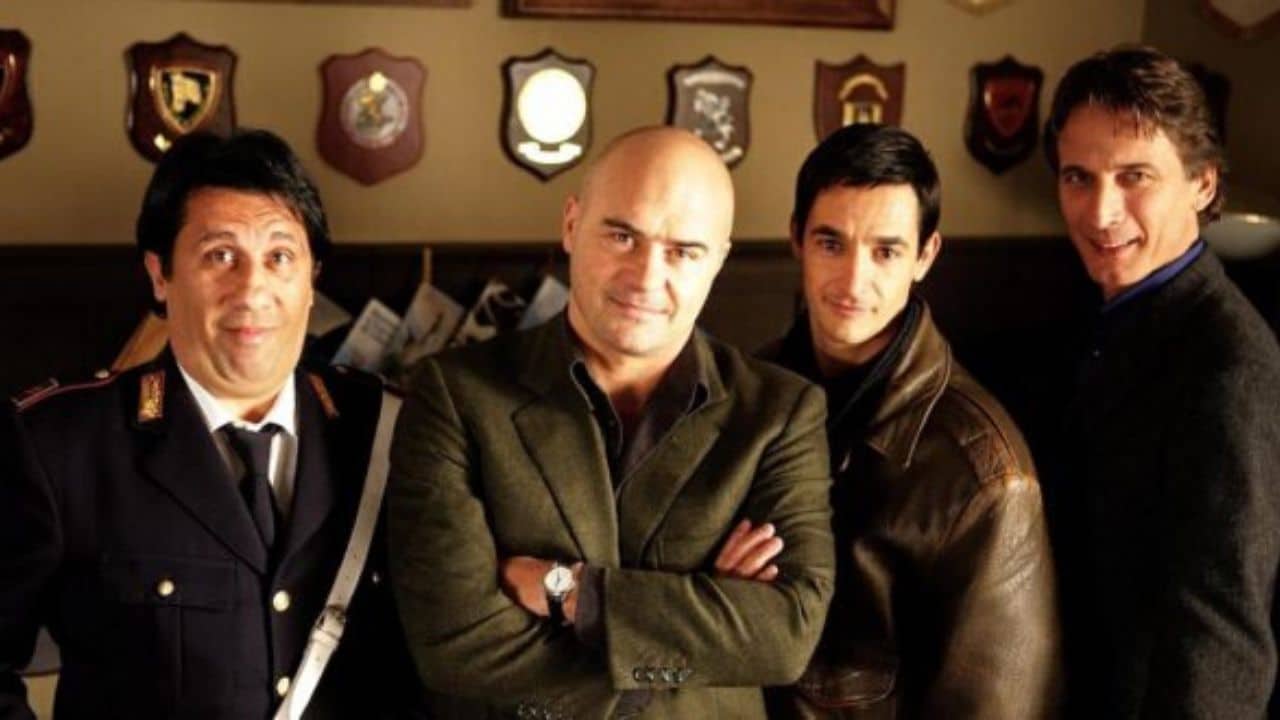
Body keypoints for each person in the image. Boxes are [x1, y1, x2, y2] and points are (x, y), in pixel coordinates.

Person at [387, 126, 835, 719]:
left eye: (683, 251)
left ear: (718, 260)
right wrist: (699, 632)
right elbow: (453, 641)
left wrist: (570, 591)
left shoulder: (781, 412)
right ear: (572, 224)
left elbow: (784, 638)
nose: (646, 277)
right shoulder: (453, 394)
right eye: (623, 236)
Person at [0, 130, 421, 719]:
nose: (252, 290)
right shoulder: (61, 444)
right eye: (220, 256)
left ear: (312, 280)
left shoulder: (388, 431)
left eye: (279, 257)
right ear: (160, 274)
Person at [760, 123, 1061, 719]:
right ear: (796, 238)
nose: (853, 280)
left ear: (926, 255)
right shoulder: (749, 392)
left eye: (886, 251)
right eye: (831, 243)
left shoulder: (986, 474)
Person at [1041, 45, 1280, 717]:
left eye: (1135, 176)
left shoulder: (1229, 366)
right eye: (1079, 177)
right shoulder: (1102, 313)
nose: (1100, 212)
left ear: (1203, 183)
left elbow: (1223, 639)